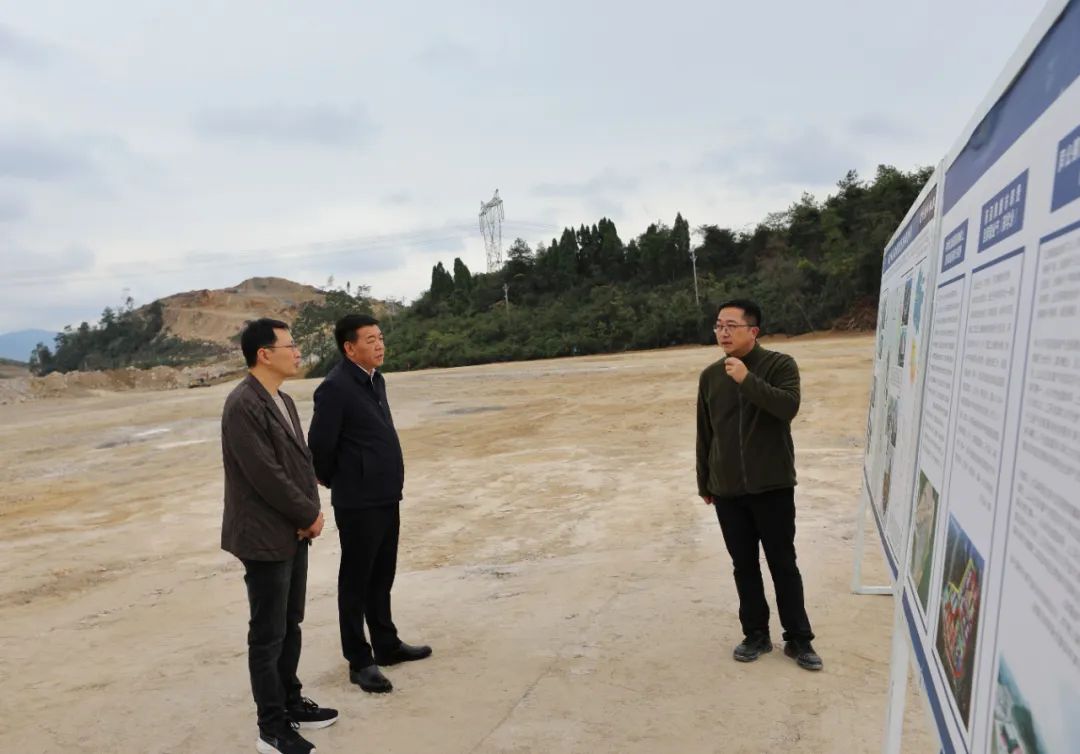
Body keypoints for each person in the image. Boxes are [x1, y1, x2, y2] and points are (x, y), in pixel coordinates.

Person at [221, 318, 339, 754]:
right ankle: (271, 727)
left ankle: (291, 702)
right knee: (268, 633)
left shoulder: (283, 400)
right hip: (264, 535)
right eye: (290, 346)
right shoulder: (242, 404)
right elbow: (264, 474)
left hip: (293, 529)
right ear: (264, 354)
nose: (297, 352)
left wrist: (310, 513)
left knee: (291, 622)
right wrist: (307, 513)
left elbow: (298, 463)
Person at [695, 300, 823, 671]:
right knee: (744, 566)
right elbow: (705, 432)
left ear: (753, 331)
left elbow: (787, 408)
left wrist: (746, 379)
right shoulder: (710, 376)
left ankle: (799, 639)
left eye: (731, 326)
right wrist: (705, 481)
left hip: (772, 486)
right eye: (718, 325)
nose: (723, 332)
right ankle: (755, 635)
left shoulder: (780, 365)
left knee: (783, 563)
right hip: (727, 490)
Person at [308, 314, 431, 694]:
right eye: (370, 340)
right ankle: (359, 661)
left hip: (385, 493)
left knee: (382, 574)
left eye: (380, 337)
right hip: (358, 500)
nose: (380, 345)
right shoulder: (335, 388)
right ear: (349, 348)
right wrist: (343, 479)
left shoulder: (376, 380)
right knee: (356, 581)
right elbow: (319, 448)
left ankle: (386, 644)